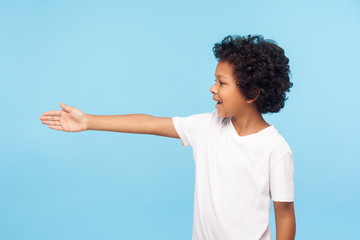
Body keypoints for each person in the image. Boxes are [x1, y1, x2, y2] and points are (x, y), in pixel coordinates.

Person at [39, 34, 296, 240]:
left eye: (222, 83)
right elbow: (149, 123)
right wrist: (88, 121)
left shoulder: (275, 149)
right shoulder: (207, 126)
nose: (212, 88)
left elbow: (284, 216)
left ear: (251, 93)